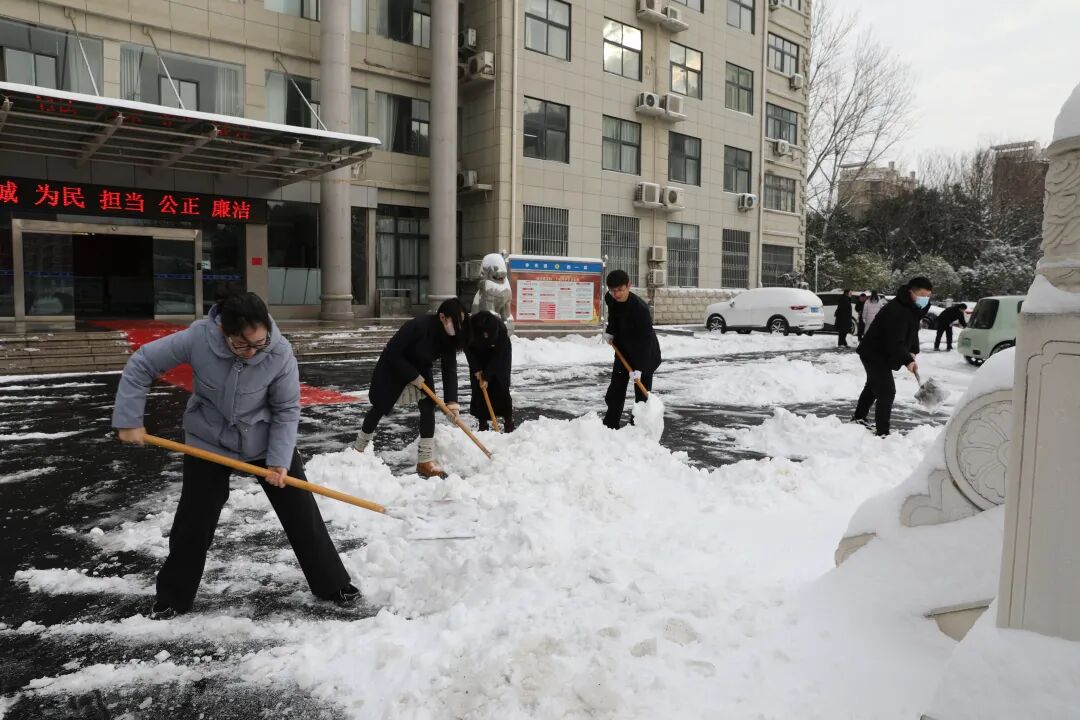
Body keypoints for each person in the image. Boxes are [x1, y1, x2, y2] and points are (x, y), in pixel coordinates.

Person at [112, 292, 357, 620]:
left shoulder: (279, 352)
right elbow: (143, 363)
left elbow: (286, 409)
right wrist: (129, 419)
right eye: (243, 345)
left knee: (301, 512)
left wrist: (279, 461)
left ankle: (332, 583)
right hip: (208, 438)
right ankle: (173, 597)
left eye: (260, 342)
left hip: (263, 438)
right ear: (223, 332)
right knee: (194, 520)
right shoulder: (198, 338)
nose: (253, 352)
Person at [353, 298, 467, 478]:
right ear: (442, 317)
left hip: (421, 368)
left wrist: (452, 402)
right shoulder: (418, 326)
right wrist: (412, 376)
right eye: (456, 321)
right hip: (394, 367)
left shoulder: (449, 338)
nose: (459, 325)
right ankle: (357, 451)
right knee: (379, 407)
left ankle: (425, 461)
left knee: (428, 407)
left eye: (462, 321)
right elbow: (392, 351)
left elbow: (449, 368)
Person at [848, 277, 934, 437]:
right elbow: (894, 341)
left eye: (928, 295)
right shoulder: (896, 310)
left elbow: (912, 333)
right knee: (887, 391)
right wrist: (907, 360)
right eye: (922, 294)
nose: (925, 299)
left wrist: (913, 351)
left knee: (873, 386)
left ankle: (858, 418)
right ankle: (883, 432)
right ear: (911, 291)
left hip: (883, 352)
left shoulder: (913, 308)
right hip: (873, 353)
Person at [602, 270, 662, 430]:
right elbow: (614, 315)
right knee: (616, 389)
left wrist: (640, 369)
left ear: (629, 285)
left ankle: (638, 427)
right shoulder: (611, 298)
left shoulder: (640, 309)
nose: (617, 294)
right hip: (623, 350)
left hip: (645, 354)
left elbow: (645, 340)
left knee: (641, 395)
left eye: (620, 289)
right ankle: (610, 424)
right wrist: (611, 330)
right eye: (613, 290)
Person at [465, 311, 514, 433]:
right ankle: (482, 423)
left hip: (499, 355)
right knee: (479, 387)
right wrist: (476, 368)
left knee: (501, 384)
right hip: (477, 354)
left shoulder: (500, 328)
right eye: (484, 334)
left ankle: (508, 421)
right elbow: (467, 349)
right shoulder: (469, 326)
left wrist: (487, 376)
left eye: (489, 334)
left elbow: (498, 356)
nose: (486, 336)